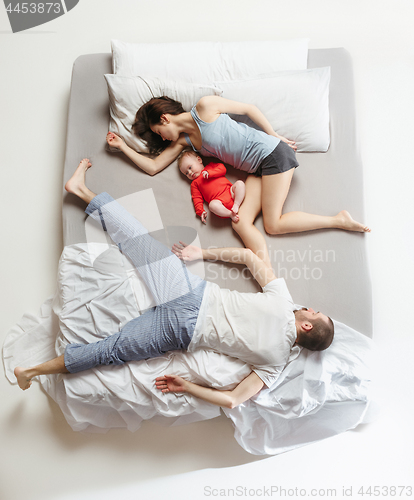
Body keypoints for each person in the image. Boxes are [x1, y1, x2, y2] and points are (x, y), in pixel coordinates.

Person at [14, 159, 334, 409]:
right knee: (110, 352)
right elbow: (234, 399)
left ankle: (81, 191)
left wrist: (202, 253)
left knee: (136, 238)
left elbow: (251, 258)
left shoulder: (283, 301)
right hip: (181, 330)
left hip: (190, 295)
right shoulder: (274, 365)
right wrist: (188, 387)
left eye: (315, 313)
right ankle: (31, 372)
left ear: (307, 326)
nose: (310, 308)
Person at [106, 95, 370, 267]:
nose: (162, 138)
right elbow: (153, 167)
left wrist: (274, 135)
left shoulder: (205, 107)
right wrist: (123, 147)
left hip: (273, 154)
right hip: (256, 169)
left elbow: (249, 108)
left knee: (273, 225)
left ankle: (339, 220)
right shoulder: (185, 142)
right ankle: (267, 276)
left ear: (164, 118)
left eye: (157, 131)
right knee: (240, 222)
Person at [178, 149, 246, 224]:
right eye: (186, 173)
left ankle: (237, 204)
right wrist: (200, 211)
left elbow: (223, 169)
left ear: (199, 160)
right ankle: (230, 214)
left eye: (190, 167)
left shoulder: (210, 167)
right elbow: (196, 198)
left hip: (231, 192)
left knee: (240, 183)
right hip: (219, 203)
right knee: (212, 205)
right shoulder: (194, 184)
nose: (190, 173)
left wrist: (210, 173)